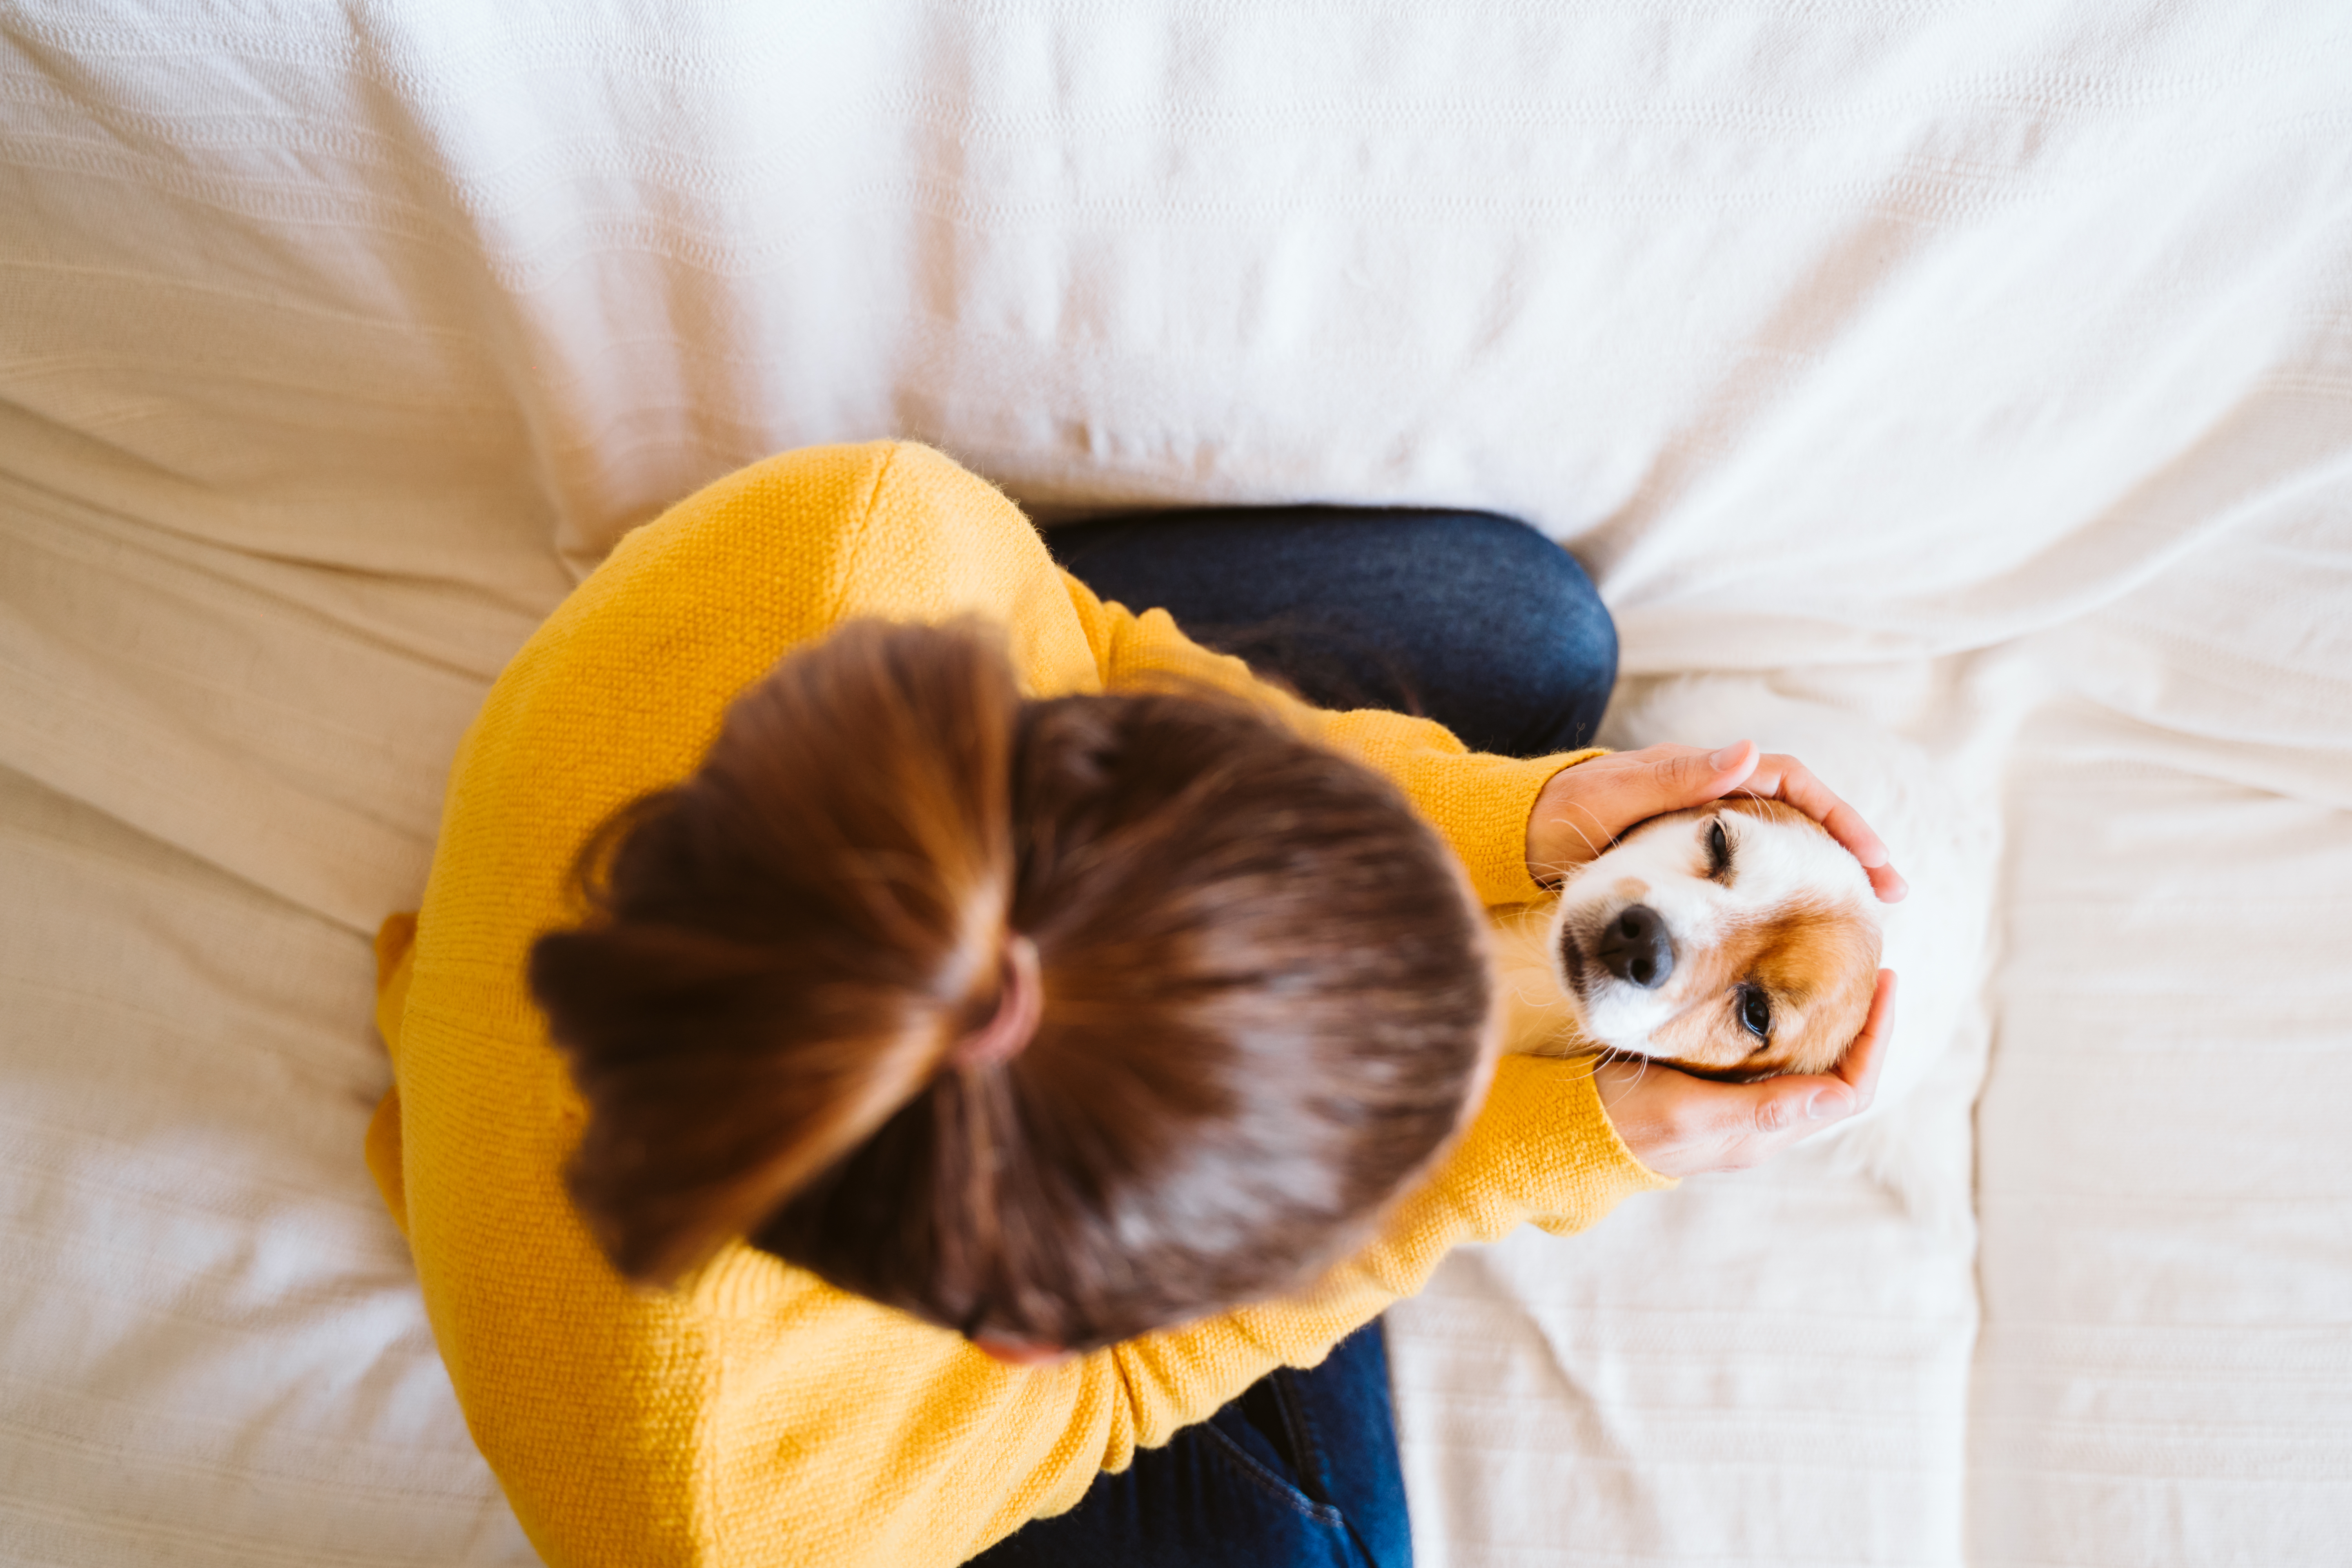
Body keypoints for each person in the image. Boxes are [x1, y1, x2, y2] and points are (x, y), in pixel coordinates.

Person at [366, 441, 1901, 1568]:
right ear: (1024, 1327)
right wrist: (1540, 1145)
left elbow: (1099, 650)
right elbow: (1129, 1393)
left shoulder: (873, 546)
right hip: (663, 1331)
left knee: (1533, 633)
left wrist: (1521, 818)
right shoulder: (751, 1518)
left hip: (661, 763)